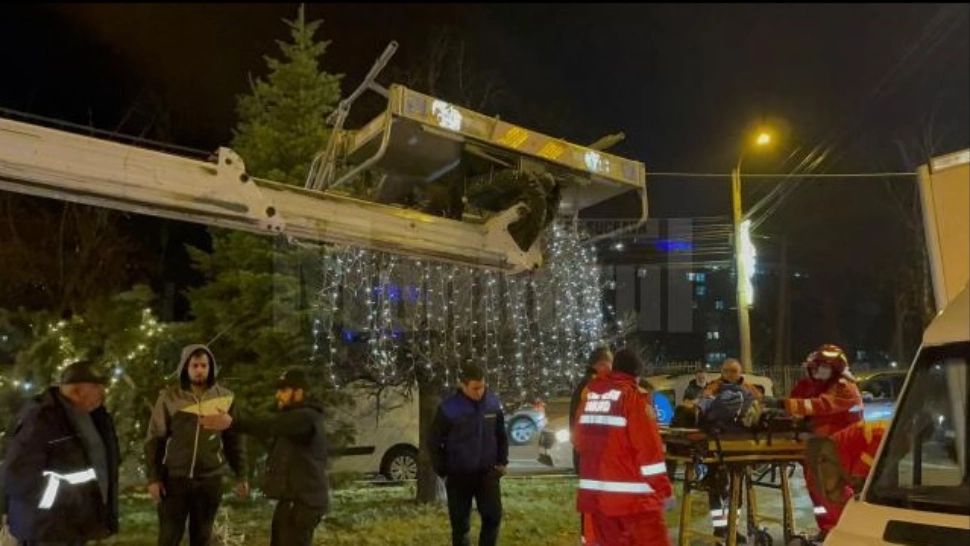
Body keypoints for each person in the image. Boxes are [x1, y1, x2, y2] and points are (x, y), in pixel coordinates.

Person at [201, 367, 329, 546]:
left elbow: (267, 424)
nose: (278, 395)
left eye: (284, 390)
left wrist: (232, 422)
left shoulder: (306, 417)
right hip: (292, 500)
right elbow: (268, 430)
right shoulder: (293, 421)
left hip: (302, 502)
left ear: (299, 392)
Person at [2, 361, 120, 546]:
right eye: (97, 387)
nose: (103, 393)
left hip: (73, 525)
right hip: (47, 528)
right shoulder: (41, 420)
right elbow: (17, 474)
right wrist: (67, 496)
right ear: (76, 391)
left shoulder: (95, 417)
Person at [143, 344, 248, 546]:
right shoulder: (170, 397)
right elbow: (155, 439)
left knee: (202, 537)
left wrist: (241, 474)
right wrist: (154, 478)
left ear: (211, 368)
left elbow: (234, 440)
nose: (199, 370)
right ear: (185, 367)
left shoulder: (225, 398)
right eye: (195, 365)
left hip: (209, 480)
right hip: (174, 479)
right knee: (168, 537)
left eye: (204, 365)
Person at [573, 348, 673, 546]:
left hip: (597, 500)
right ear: (636, 375)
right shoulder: (633, 398)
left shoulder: (591, 396)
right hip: (635, 503)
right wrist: (664, 491)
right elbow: (649, 454)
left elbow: (578, 440)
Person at [763, 344, 864, 538]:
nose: (816, 371)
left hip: (838, 448)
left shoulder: (844, 387)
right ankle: (827, 530)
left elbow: (820, 405)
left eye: (821, 367)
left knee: (833, 491)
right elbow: (806, 405)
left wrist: (781, 403)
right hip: (823, 446)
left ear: (834, 368)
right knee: (817, 490)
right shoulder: (824, 386)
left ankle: (843, 531)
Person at [429, 363, 508, 546]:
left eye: (482, 387)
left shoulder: (492, 404)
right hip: (458, 476)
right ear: (463, 385)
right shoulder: (449, 409)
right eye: (475, 388)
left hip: (488, 474)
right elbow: (433, 441)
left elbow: (501, 434)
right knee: (460, 525)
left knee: (493, 517)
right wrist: (443, 470)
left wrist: (502, 462)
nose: (480, 392)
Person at [698, 357, 763, 542]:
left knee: (736, 490)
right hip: (717, 445)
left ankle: (733, 527)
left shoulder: (749, 389)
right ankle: (720, 528)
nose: (729, 375)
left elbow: (760, 407)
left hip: (739, 446)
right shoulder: (713, 387)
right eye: (726, 371)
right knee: (716, 487)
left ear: (740, 372)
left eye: (733, 371)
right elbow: (702, 406)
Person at [569, 347, 613, 470]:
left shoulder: (586, 384)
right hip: (592, 456)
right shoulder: (594, 386)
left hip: (585, 454)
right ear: (602, 365)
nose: (612, 369)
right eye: (611, 364)